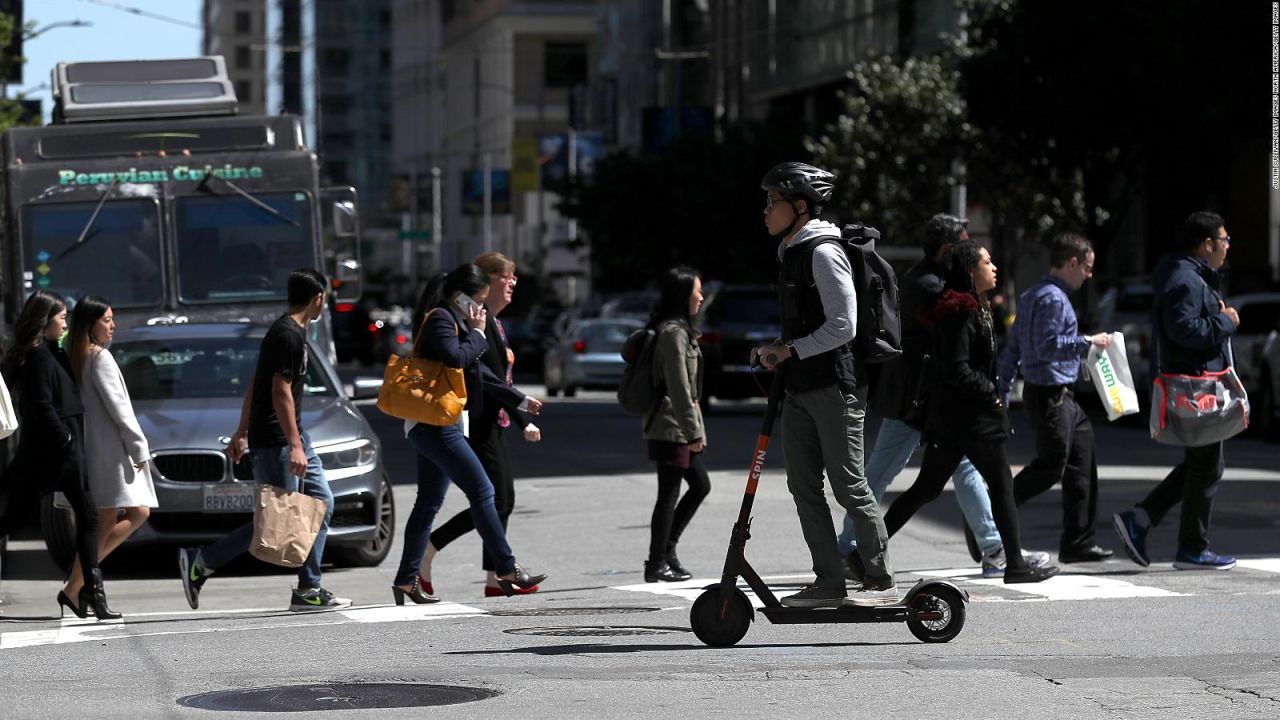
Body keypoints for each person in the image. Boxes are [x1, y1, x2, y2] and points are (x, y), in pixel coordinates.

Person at [843, 213, 1050, 578]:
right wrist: (991, 394)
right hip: (921, 401)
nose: (989, 262)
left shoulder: (959, 296)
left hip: (943, 407)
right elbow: (954, 363)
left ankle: (996, 550)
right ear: (955, 256)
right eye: (979, 256)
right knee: (884, 474)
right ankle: (852, 548)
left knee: (943, 482)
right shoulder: (941, 294)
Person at [754, 162, 894, 608]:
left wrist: (790, 351)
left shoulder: (823, 251)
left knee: (849, 485)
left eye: (772, 202)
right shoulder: (789, 251)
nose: (765, 211)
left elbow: (843, 325)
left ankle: (880, 580)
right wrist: (775, 347)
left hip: (836, 386)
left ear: (798, 206)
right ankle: (828, 581)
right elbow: (805, 324)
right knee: (803, 487)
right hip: (799, 386)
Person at [178, 269, 351, 612]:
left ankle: (309, 586)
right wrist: (294, 445)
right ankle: (202, 561)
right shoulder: (287, 335)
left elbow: (256, 384)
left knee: (322, 502)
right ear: (318, 298)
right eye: (325, 297)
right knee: (275, 520)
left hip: (292, 437)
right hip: (279, 442)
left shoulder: (291, 332)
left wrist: (242, 431)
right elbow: (278, 390)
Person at [391, 264, 545, 604]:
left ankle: (406, 580)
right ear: (461, 295)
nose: (482, 308)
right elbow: (455, 358)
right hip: (436, 425)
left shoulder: (456, 322)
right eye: (478, 299)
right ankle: (506, 567)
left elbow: (479, 373)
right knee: (483, 491)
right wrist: (476, 333)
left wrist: (519, 399)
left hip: (436, 423)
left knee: (429, 502)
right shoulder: (442, 319)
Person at [1114, 211, 1240, 570]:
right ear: (1207, 244)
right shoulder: (1185, 280)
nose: (1227, 247)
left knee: (1203, 465)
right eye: (1224, 240)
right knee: (1207, 466)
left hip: (1197, 384)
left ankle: (1141, 520)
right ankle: (1191, 548)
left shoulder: (1190, 276)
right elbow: (1184, 330)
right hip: (1195, 387)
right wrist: (1225, 321)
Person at [0, 290, 119, 619]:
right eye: (61, 317)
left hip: (61, 449)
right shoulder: (37, 355)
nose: (65, 322)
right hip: (51, 452)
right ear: (45, 320)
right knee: (18, 519)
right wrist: (64, 438)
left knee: (87, 517)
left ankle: (88, 594)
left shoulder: (51, 350)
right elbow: (40, 404)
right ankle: (88, 594)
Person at [997, 233, 1114, 563]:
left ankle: (1078, 541)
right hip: (1050, 395)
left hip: (1059, 395)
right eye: (1087, 268)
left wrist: (1003, 393)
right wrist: (1088, 342)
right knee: (1051, 466)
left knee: (1082, 461)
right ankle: (995, 513)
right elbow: (1046, 347)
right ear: (1072, 263)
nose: (1089, 276)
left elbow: (1015, 349)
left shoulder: (1033, 294)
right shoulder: (1053, 299)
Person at [60, 296, 159, 606]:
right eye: (106, 320)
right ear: (91, 325)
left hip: (92, 451)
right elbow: (121, 410)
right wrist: (139, 447)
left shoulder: (74, 356)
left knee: (108, 521)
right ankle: (75, 585)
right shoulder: (99, 358)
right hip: (111, 454)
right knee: (136, 512)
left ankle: (75, 586)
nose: (113, 326)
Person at [641, 266, 710, 582]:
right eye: (697, 291)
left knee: (699, 486)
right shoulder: (673, 333)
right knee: (669, 494)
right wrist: (693, 430)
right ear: (684, 295)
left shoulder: (681, 331)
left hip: (679, 424)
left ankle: (665, 552)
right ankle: (657, 562)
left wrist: (696, 429)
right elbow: (680, 387)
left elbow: (690, 392)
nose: (701, 296)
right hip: (669, 425)